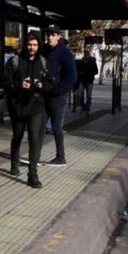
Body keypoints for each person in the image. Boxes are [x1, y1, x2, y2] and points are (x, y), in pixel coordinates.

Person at [2, 33, 53, 188]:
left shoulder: (44, 63)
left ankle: (33, 175)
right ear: (25, 45)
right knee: (17, 136)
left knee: (34, 139)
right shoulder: (14, 62)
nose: (32, 48)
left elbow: (50, 85)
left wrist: (41, 86)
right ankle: (14, 163)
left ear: (39, 46)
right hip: (17, 107)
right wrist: (19, 85)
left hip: (36, 107)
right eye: (30, 45)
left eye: (35, 45)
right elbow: (5, 82)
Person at [41, 25, 76, 166]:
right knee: (39, 125)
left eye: (53, 34)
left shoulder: (65, 53)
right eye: (48, 34)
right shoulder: (45, 50)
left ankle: (61, 157)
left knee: (56, 127)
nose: (49, 37)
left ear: (58, 36)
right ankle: (34, 156)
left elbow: (72, 76)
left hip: (57, 96)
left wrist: (58, 90)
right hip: (45, 94)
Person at [79, 50, 98, 115]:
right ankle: (84, 107)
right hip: (82, 81)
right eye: (85, 55)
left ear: (89, 55)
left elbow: (96, 71)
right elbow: (78, 70)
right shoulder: (81, 62)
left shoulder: (92, 63)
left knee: (88, 96)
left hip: (89, 81)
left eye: (87, 55)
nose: (86, 56)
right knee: (80, 95)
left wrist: (89, 73)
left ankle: (87, 109)